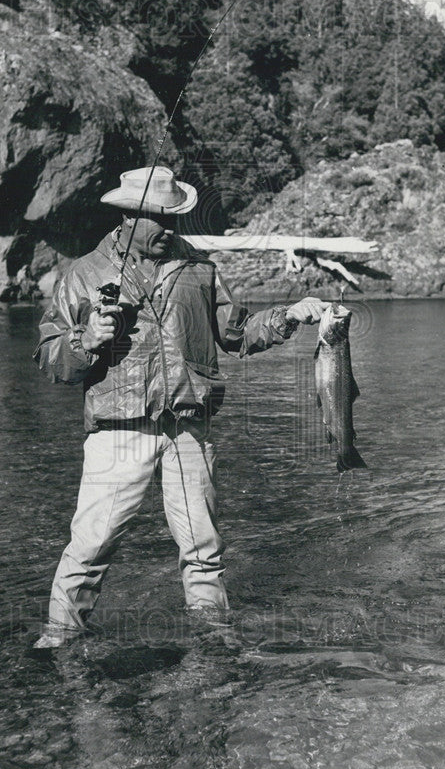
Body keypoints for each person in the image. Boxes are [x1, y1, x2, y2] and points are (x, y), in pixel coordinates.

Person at [32, 166, 327, 648]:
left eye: (175, 220)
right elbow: (51, 360)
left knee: (203, 549)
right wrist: (84, 340)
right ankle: (61, 635)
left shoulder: (200, 269)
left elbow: (237, 334)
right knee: (90, 546)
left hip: (189, 428)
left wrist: (288, 316)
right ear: (128, 216)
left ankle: (212, 637)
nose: (170, 230)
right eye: (160, 220)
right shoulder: (83, 274)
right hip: (118, 432)